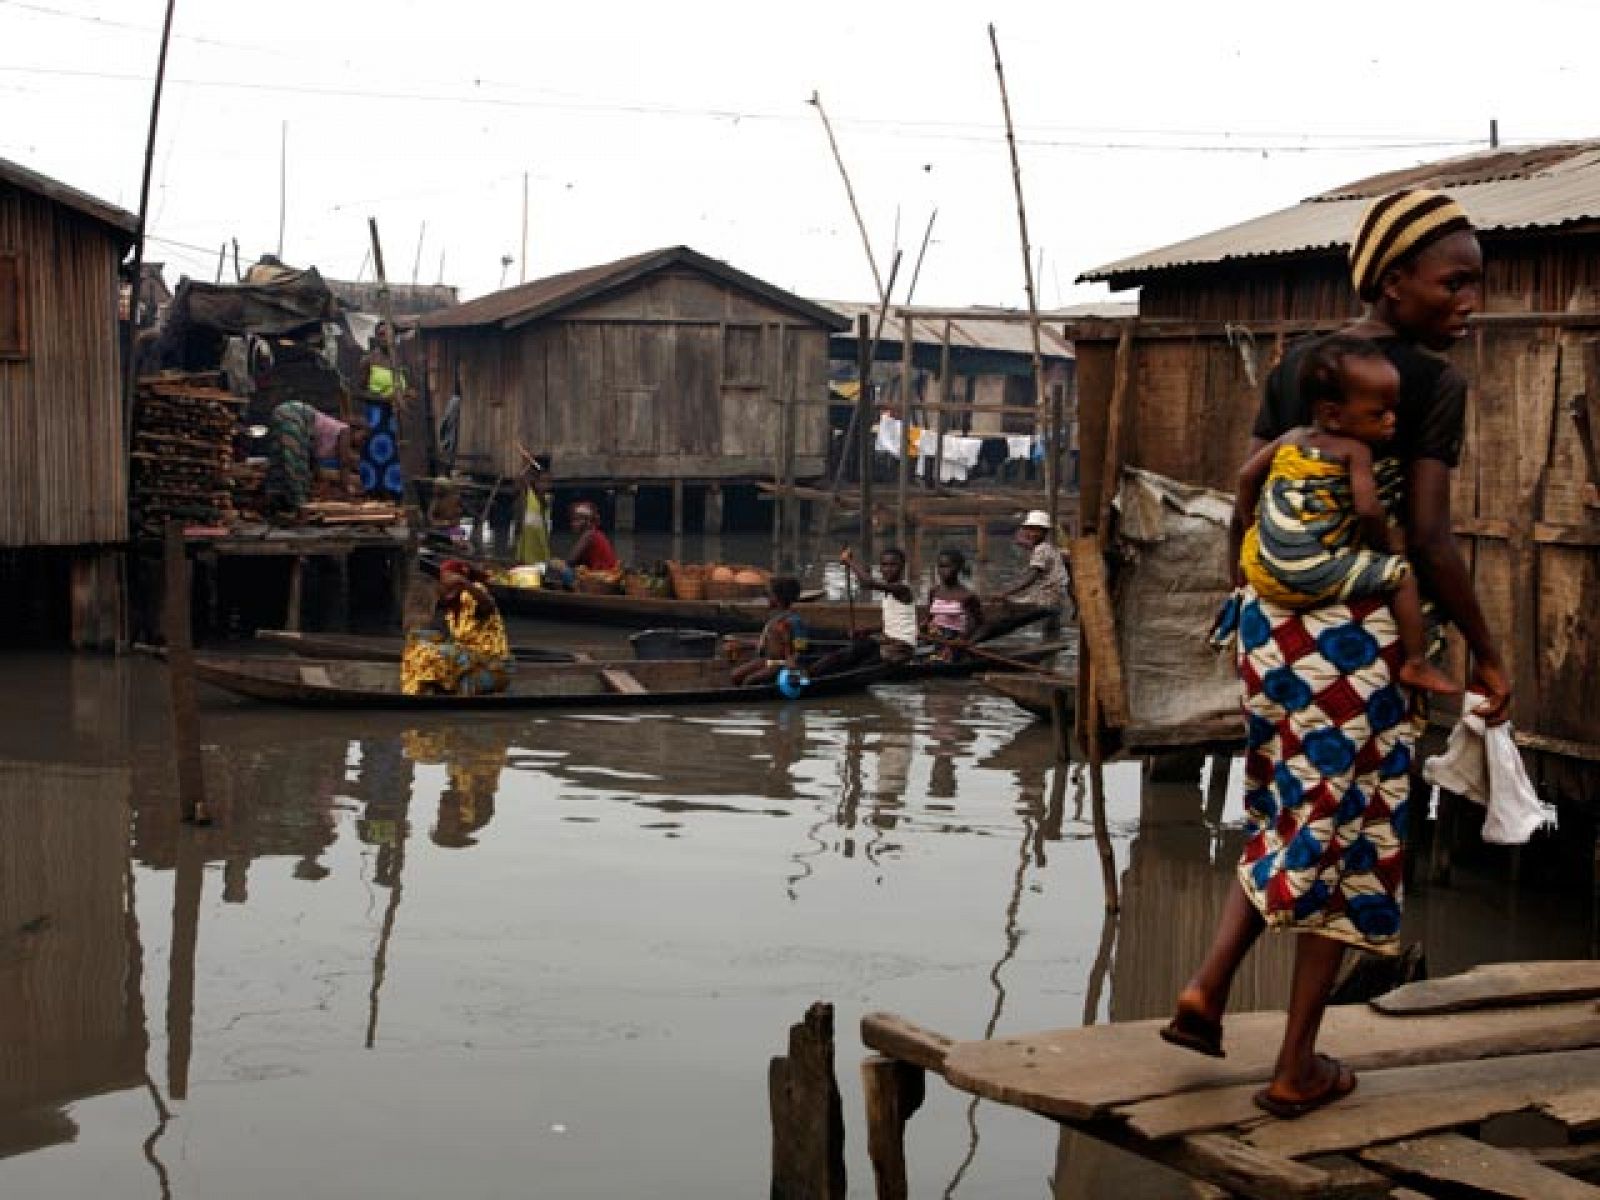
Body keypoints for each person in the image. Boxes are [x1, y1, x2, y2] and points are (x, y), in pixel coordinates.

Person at [1164, 188, 1511, 1121]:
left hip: (1272, 636)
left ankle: (1205, 992)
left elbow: (1261, 483)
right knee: (1355, 834)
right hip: (1364, 645)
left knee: (1283, 806)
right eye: (1457, 282)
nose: (1472, 299)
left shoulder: (1304, 366)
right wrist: (1486, 653)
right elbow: (1431, 539)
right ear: (1394, 282)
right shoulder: (1430, 385)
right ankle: (1294, 1067)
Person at [1234, 335, 1460, 697]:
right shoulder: (1355, 451)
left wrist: (1253, 532)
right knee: (1400, 576)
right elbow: (1368, 509)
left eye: (1394, 410)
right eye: (1378, 413)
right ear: (1332, 415)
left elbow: (1246, 479)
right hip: (1310, 573)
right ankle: (1417, 664)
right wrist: (1386, 548)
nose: (1392, 421)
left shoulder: (1290, 438)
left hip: (1265, 566)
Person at [400, 558, 513, 696]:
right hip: (469, 661)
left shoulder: (474, 592)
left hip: (492, 664)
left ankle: (426, 690)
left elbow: (487, 604)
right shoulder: (452, 609)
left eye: (449, 582)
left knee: (430, 654)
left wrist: (464, 583)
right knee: (415, 644)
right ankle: (417, 692)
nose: (445, 586)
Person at [264, 400, 369, 512]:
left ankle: (277, 500)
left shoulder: (326, 435)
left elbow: (313, 461)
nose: (362, 441)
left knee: (280, 458)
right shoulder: (345, 431)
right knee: (294, 461)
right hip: (294, 413)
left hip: (283, 412)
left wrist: (317, 481)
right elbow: (344, 462)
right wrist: (346, 490)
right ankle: (299, 504)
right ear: (356, 430)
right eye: (363, 437)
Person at [839, 546, 917, 663]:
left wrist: (849, 562)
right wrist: (866, 631)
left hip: (901, 647)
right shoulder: (888, 590)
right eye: (884, 565)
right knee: (844, 653)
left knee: (857, 659)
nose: (888, 569)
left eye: (893, 565)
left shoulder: (902, 589)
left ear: (903, 567)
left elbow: (868, 583)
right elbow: (892, 624)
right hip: (887, 640)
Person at [732, 576, 808, 687]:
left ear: (778, 598)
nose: (767, 598)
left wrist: (792, 664)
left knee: (750, 681)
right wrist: (741, 644)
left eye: (769, 595)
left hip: (782, 663)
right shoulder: (773, 620)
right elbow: (765, 644)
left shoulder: (794, 621)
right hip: (768, 661)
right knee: (735, 675)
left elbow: (801, 647)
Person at [994, 510, 1070, 615]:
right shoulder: (1048, 547)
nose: (1032, 534)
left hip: (1047, 598)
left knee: (1003, 605)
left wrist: (1006, 593)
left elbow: (1031, 577)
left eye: (1037, 531)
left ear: (1045, 532)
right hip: (1056, 597)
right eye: (1029, 530)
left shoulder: (1041, 550)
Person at [923, 549, 983, 661]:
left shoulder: (967, 595)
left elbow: (980, 625)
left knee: (943, 659)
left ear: (958, 568)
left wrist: (965, 641)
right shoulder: (934, 591)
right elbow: (929, 618)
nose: (942, 571)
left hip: (955, 643)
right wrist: (918, 630)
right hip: (935, 639)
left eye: (947, 566)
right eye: (940, 567)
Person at [516, 465, 554, 565]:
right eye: (542, 481)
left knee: (541, 577)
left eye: (548, 481)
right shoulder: (528, 496)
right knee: (528, 577)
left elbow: (545, 528)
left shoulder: (547, 500)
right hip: (526, 553)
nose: (546, 484)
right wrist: (528, 465)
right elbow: (520, 479)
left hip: (542, 552)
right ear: (535, 483)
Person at [567, 500, 619, 572]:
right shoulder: (594, 533)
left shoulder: (588, 535)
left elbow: (570, 561)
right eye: (573, 520)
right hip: (604, 573)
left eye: (577, 520)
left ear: (587, 522)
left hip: (602, 576)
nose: (572, 524)